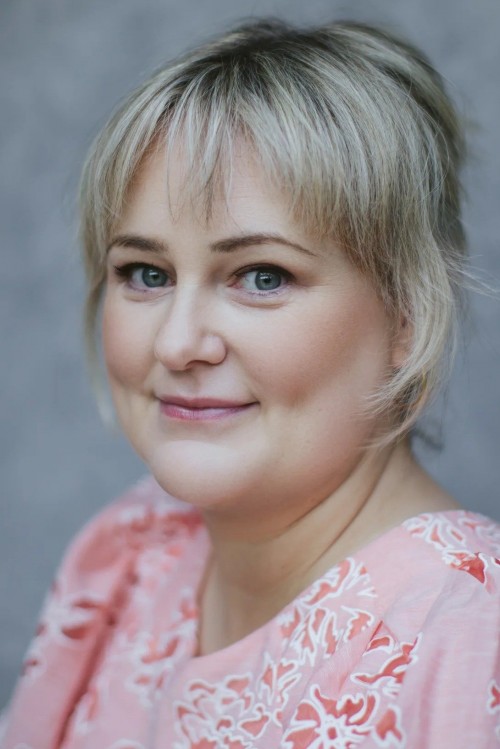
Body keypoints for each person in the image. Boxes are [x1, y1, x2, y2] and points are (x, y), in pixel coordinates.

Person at [1, 17, 499, 749]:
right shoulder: (126, 554)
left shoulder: (470, 637)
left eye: (261, 276)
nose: (177, 342)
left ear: (407, 314)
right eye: (146, 273)